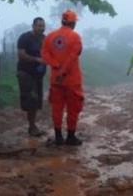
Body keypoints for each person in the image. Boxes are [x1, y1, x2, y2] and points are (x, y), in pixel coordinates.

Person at [41, 9, 84, 146]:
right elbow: (72, 57)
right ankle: (71, 137)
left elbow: (44, 53)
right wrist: (63, 73)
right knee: (73, 108)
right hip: (71, 80)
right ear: (73, 23)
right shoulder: (75, 37)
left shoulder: (50, 36)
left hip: (55, 79)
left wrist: (56, 65)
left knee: (57, 108)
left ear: (62, 21)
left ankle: (58, 137)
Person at [16, 17, 48, 137]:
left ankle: (33, 126)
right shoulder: (25, 38)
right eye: (39, 25)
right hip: (26, 73)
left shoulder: (45, 39)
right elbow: (21, 54)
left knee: (37, 100)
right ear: (33, 26)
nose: (41, 28)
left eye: (43, 26)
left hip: (38, 75)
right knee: (32, 99)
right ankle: (32, 127)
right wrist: (36, 59)